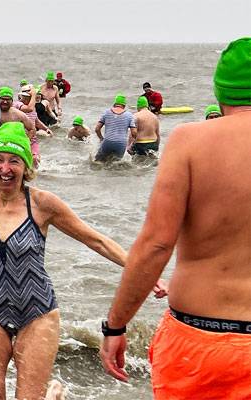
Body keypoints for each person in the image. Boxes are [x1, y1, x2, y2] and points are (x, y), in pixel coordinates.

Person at [0, 72, 165, 399]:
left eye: (14, 161)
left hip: (37, 312)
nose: (5, 168)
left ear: (27, 166)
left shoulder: (43, 204)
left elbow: (96, 240)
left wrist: (143, 272)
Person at [99, 37, 251, 399]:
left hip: (200, 341)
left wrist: (116, 325)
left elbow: (156, 244)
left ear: (220, 92)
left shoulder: (190, 142)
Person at [0, 87, 38, 165]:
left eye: (8, 99)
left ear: (12, 101)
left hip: (13, 145)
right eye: (3, 99)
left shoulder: (18, 114)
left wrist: (24, 141)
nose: (5, 101)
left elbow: (32, 129)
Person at [93, 94, 137, 162]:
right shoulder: (129, 115)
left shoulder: (107, 112)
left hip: (108, 141)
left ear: (115, 104)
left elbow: (97, 129)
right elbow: (134, 133)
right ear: (124, 105)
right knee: (116, 164)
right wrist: (131, 144)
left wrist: (101, 139)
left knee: (98, 162)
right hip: (121, 144)